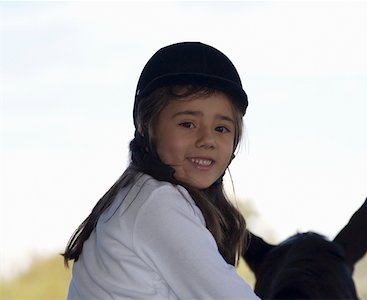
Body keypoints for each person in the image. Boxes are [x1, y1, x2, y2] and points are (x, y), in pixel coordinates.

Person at [63, 42, 260, 299]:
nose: (207, 140)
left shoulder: (138, 195)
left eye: (221, 128)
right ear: (146, 126)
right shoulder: (157, 203)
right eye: (188, 124)